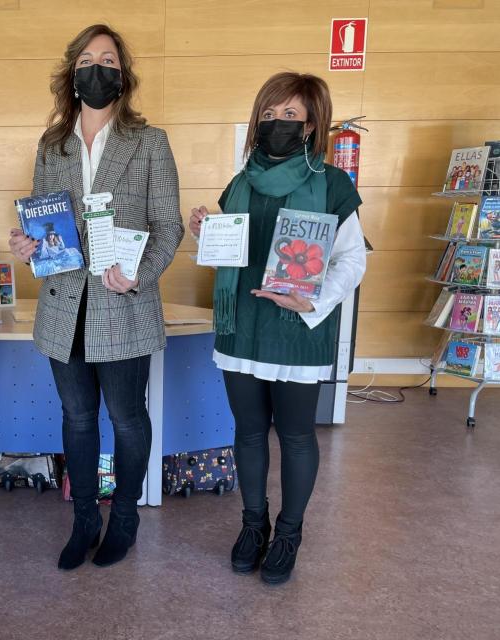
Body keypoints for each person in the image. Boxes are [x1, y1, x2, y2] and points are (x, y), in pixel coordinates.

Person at [10, 24, 183, 570]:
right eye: (87, 59)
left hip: (124, 305)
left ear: (123, 75)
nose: (97, 68)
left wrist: (141, 275)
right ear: (72, 73)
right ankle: (84, 517)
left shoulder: (149, 141)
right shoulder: (52, 144)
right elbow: (44, 224)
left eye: (108, 59)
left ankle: (125, 516)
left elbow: (168, 224)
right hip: (65, 307)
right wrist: (26, 243)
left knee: (128, 419)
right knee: (78, 418)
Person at [190, 72, 367, 585]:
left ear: (312, 124)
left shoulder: (332, 184)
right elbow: (229, 255)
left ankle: (288, 533)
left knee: (294, 435)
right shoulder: (241, 181)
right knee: (246, 433)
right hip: (242, 326)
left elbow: (352, 261)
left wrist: (310, 300)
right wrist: (207, 232)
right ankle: (253, 525)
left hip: (296, 329)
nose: (277, 124)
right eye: (269, 115)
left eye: (290, 116)